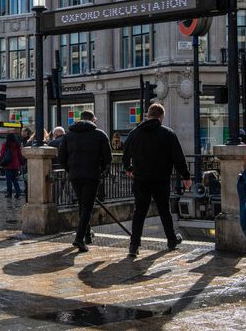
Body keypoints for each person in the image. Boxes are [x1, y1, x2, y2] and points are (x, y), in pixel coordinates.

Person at [122, 103, 191, 258]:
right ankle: (171, 240)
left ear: (148, 115)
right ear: (161, 116)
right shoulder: (168, 133)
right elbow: (178, 158)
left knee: (139, 212)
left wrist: (129, 168)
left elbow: (125, 153)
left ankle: (134, 246)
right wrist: (186, 176)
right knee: (164, 210)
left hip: (141, 179)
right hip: (161, 179)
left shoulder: (135, 133)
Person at [59, 111, 112, 253]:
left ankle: (87, 235)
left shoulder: (68, 136)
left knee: (83, 205)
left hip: (75, 175)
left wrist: (70, 169)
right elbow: (108, 158)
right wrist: (100, 171)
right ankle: (79, 238)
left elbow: (61, 158)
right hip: (92, 175)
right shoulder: (100, 134)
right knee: (87, 206)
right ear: (93, 120)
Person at [0, 133, 23, 198]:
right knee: (14, 179)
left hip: (8, 164)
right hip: (15, 164)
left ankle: (9, 194)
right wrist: (20, 163)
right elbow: (19, 155)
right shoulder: (17, 145)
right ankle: (18, 192)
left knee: (8, 180)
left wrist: (0, 162)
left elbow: (2, 154)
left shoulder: (5, 145)